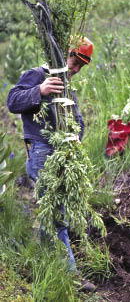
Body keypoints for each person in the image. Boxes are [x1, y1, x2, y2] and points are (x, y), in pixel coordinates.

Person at [7, 37, 95, 292]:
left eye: (81, 66)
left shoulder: (67, 87)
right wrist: (40, 91)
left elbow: (77, 120)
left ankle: (48, 262)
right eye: (75, 62)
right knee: (56, 214)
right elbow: (13, 101)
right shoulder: (37, 75)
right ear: (62, 54)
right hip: (42, 152)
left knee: (54, 211)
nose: (76, 69)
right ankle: (71, 277)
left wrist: (75, 140)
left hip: (63, 155)